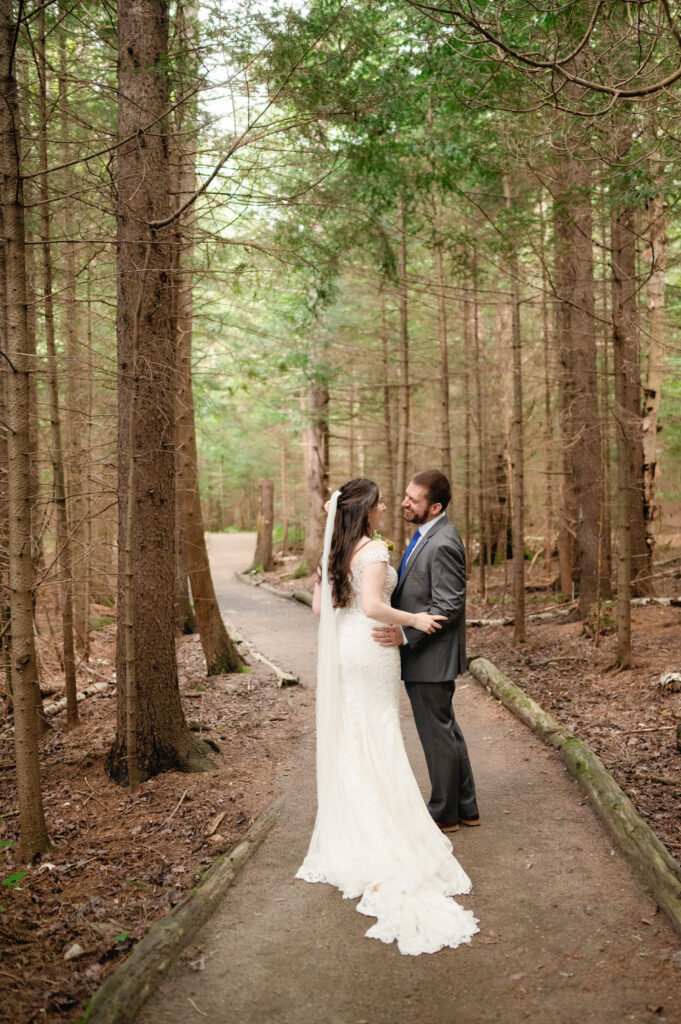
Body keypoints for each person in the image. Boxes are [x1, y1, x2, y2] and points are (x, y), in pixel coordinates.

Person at [296, 478, 478, 956]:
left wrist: (358, 614)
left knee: (359, 734)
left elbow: (319, 608)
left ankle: (384, 813)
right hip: (373, 649)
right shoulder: (373, 551)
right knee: (378, 732)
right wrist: (414, 621)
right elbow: (375, 605)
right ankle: (397, 824)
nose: (389, 508)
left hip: (350, 649)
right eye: (380, 503)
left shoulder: (334, 552)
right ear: (366, 511)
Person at [372, 470, 479, 833]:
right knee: (446, 730)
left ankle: (444, 813)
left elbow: (448, 604)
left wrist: (405, 634)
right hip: (427, 656)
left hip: (430, 655)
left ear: (434, 507)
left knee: (437, 736)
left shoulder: (444, 541)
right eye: (405, 495)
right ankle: (466, 807)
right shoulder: (426, 534)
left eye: (413, 500)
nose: (404, 502)